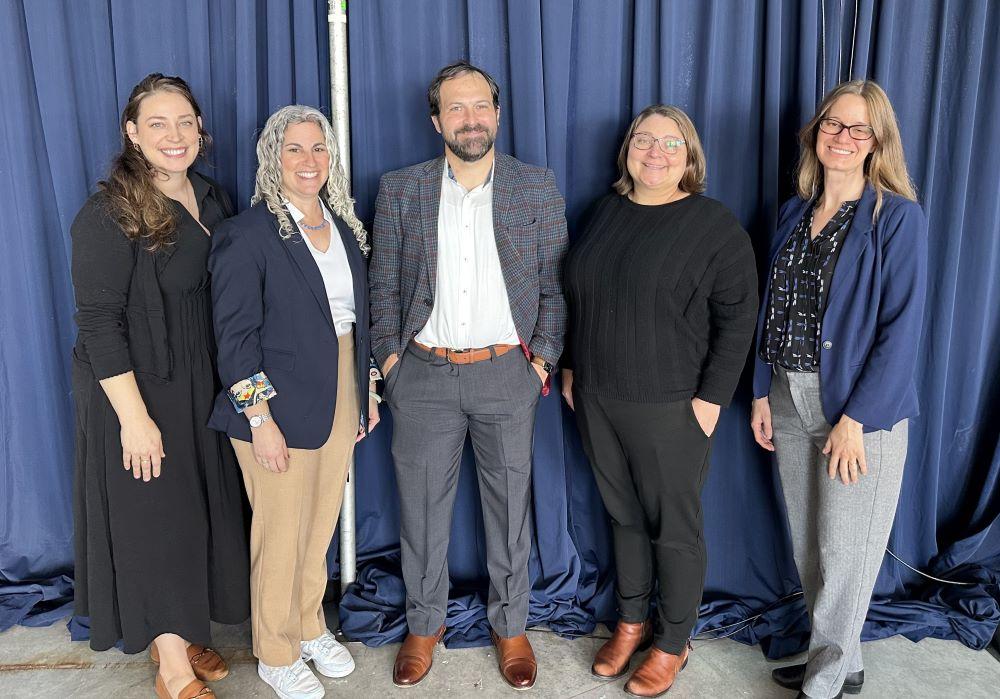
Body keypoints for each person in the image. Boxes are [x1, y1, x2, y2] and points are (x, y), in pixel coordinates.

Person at [369, 60, 568, 690]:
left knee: (510, 507)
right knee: (422, 510)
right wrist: (390, 361)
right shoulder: (401, 190)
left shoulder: (535, 187)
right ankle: (423, 627)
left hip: (506, 372)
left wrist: (539, 360)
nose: (470, 118)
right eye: (456, 109)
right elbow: (383, 285)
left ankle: (510, 627)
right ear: (436, 121)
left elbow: (555, 284)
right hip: (421, 375)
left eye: (480, 106)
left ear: (498, 114)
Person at [561, 104, 758, 697]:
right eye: (643, 140)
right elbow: (583, 298)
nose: (655, 152)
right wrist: (572, 367)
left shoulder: (713, 225)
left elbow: (738, 318)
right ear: (627, 151)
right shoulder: (604, 213)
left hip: (673, 404)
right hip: (596, 395)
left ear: (690, 157)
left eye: (671, 143)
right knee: (622, 518)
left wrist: (711, 399)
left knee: (674, 528)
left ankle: (673, 641)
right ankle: (630, 621)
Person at [70, 73, 249, 699]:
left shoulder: (212, 195)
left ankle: (186, 625)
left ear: (199, 128)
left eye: (184, 123)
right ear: (131, 133)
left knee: (200, 512)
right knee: (158, 519)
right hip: (138, 387)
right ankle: (172, 668)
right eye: (157, 125)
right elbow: (97, 322)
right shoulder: (108, 212)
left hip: (203, 380)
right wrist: (134, 419)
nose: (174, 137)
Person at [750, 80, 927, 699]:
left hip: (857, 412)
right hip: (786, 394)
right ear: (815, 133)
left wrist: (859, 417)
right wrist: (758, 392)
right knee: (811, 548)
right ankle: (841, 659)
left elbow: (901, 331)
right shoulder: (794, 212)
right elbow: (769, 308)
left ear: (878, 142)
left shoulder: (897, 217)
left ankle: (824, 685)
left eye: (858, 129)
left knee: (846, 554)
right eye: (832, 125)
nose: (842, 138)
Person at [208, 105, 379, 699]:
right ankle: (276, 649)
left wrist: (366, 392)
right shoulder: (247, 234)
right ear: (272, 159)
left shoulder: (344, 226)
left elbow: (355, 321)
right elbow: (233, 339)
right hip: (271, 402)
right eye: (295, 150)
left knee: (319, 522)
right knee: (279, 531)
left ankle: (308, 626)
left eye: (319, 149)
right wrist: (260, 419)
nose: (309, 161)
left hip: (340, 385)